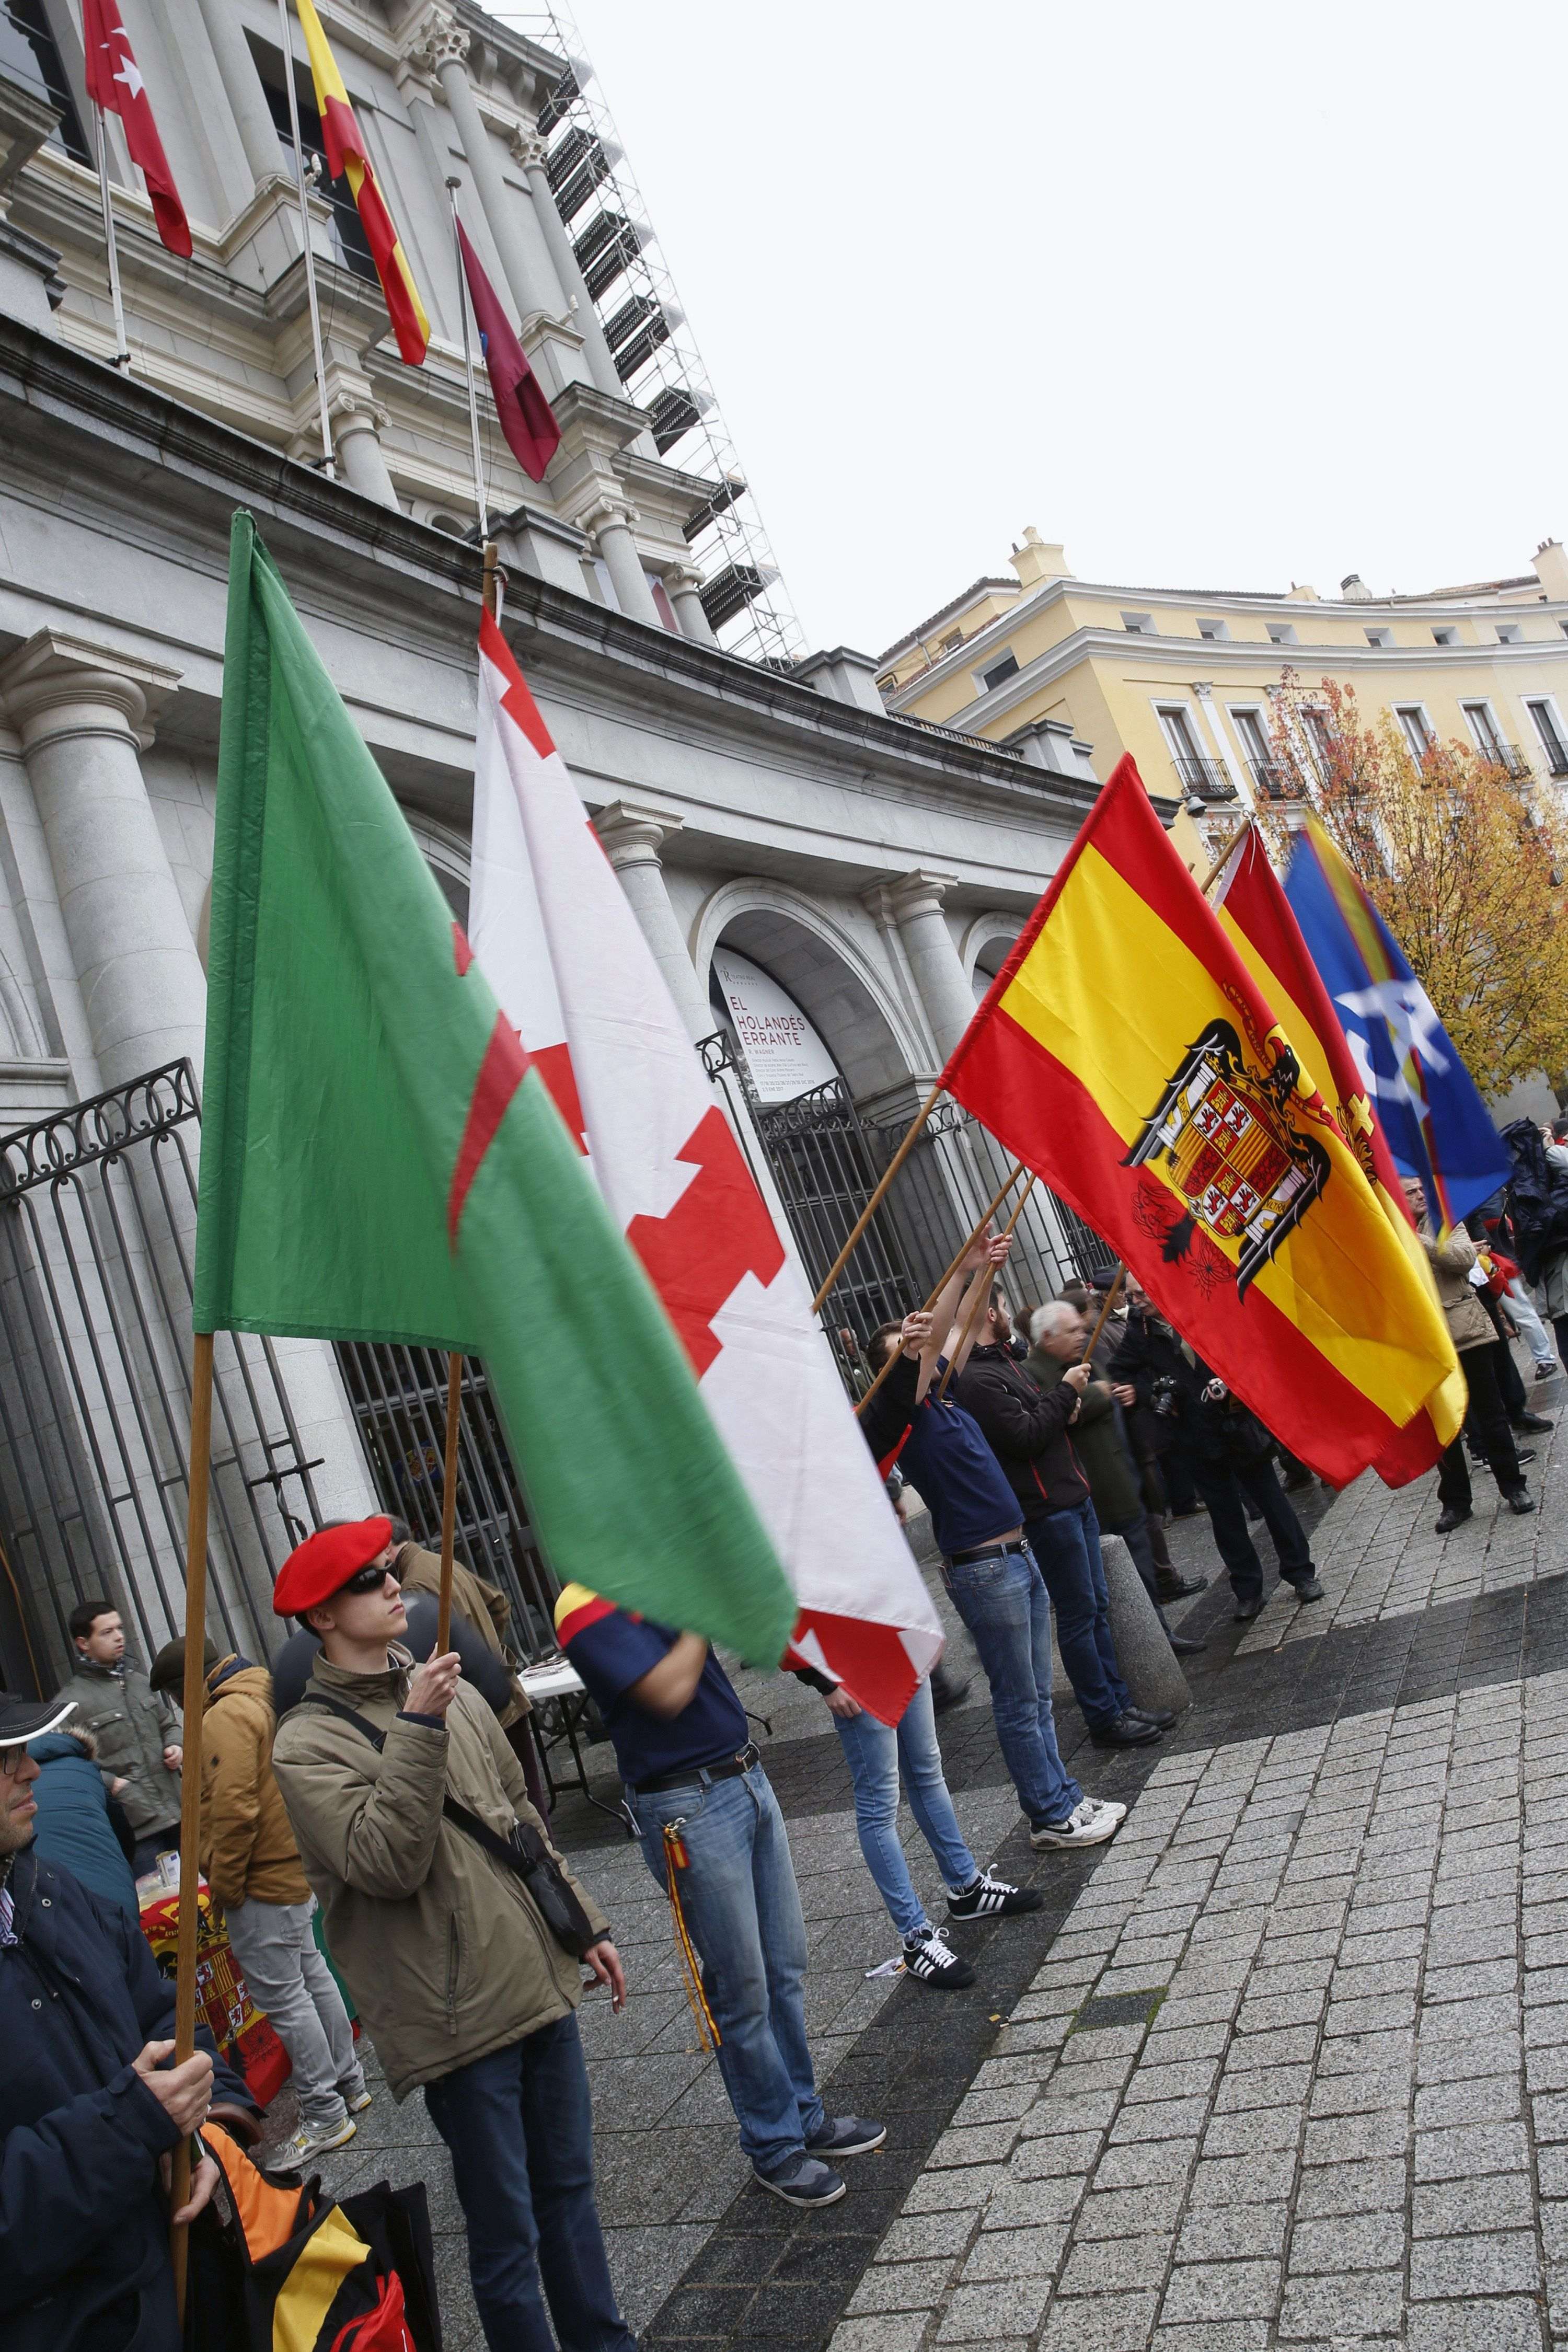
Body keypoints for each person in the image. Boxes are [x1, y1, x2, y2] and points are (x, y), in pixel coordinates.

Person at [269, 1517, 635, 2352]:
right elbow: (385, 1862)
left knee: (571, 2193)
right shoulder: (306, 1743)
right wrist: (419, 1725)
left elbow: (519, 1820)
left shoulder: (449, 1684)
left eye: (385, 1568)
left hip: (534, 1974)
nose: (393, 1583)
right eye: (367, 1580)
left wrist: (584, 1927)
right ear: (323, 1617)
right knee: (506, 2232)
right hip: (454, 2016)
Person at [555, 1580, 885, 2207]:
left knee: (784, 1965)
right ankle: (773, 2144)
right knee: (742, 1986)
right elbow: (670, 1690)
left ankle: (803, 2115)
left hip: (742, 1774)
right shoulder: (583, 1604)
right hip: (686, 1803)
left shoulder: (654, 1569)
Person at [0, 1686, 260, 2352]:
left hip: (174, 2279)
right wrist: (134, 2125)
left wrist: (208, 2133)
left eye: (26, 1749)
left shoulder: (52, 1890)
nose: (30, 1771)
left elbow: (166, 2022)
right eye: (4, 1759)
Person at [858, 1229, 1124, 1852]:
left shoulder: (941, 1399)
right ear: (889, 1371)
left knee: (1035, 1692)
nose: (922, 1351)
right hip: (984, 1568)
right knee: (1018, 1700)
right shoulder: (899, 1414)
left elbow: (962, 1326)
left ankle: (1063, 1794)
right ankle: (1050, 1816)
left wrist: (977, 1268)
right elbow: (932, 1345)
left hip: (1015, 1553)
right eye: (906, 1350)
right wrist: (955, 1282)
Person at [149, 1632, 368, 2167]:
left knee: (287, 1997)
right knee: (311, 1975)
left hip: (260, 1882)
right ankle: (348, 2082)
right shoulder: (263, 1690)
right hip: (292, 1867)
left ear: (186, 1685)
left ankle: (325, 2114)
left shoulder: (222, 1716)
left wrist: (222, 1887)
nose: (179, 1709)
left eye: (176, 1698)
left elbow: (235, 1813)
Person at [956, 1283, 1171, 1751]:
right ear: (990, 1315)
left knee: (1096, 1606)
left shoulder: (1007, 1364)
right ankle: (1104, 1716)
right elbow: (1025, 1434)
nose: (1013, 1314)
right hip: (1047, 1509)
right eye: (1005, 1306)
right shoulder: (977, 1379)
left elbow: (1050, 1414)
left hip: (1073, 1496)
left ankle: (1119, 1701)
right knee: (1078, 1615)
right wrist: (1067, 1392)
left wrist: (1062, 1402)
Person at [799, 1659, 1040, 1986]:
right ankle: (915, 1937)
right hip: (852, 1667)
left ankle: (967, 1887)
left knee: (927, 1773)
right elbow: (779, 1615)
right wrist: (823, 1681)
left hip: (901, 1650)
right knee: (879, 1804)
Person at [1027, 1302, 1205, 1658]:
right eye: (1072, 1331)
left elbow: (1115, 1388)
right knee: (1100, 1587)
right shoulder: (1034, 1374)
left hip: (1122, 1482)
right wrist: (1098, 1394)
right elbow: (1055, 1414)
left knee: (1142, 1570)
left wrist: (1125, 1394)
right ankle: (1131, 1651)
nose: (1081, 1337)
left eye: (1082, 1329)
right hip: (1090, 1491)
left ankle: (1159, 1637)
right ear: (1047, 1338)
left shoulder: (1087, 1362)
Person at [1404, 1178, 1534, 1534]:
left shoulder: (1445, 1221)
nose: (1419, 1195)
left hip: (1467, 1332)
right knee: (1444, 1429)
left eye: (1420, 1190)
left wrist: (1422, 1242)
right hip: (1426, 1340)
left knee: (1491, 1415)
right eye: (1410, 1192)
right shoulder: (1389, 1231)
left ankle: (1514, 1487)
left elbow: (1463, 1259)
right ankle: (1456, 1503)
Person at [54, 1600, 182, 1878]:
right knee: (158, 1910)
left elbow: (168, 1723)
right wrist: (114, 1785)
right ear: (83, 1643)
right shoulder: (70, 1703)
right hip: (136, 1826)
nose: (119, 1637)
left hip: (178, 1810)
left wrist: (176, 1745)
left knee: (205, 1898)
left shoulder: (138, 1681)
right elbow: (65, 1763)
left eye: (120, 1628)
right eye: (107, 1632)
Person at [25, 1722, 139, 1917]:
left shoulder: (15, 1783)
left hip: (49, 1911)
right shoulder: (83, 1769)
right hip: (116, 1901)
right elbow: (124, 1837)